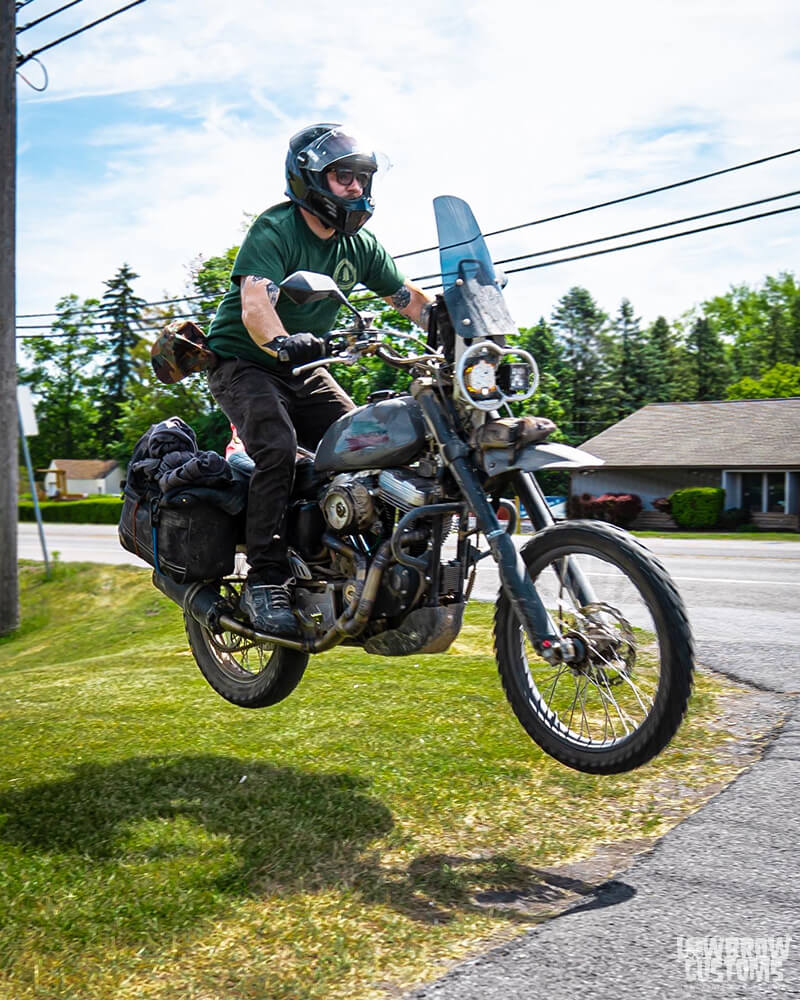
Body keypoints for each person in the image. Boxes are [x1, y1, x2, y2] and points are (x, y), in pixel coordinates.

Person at [206, 123, 432, 638]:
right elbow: (255, 302)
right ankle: (265, 576)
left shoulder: (363, 247)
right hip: (245, 363)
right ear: (310, 179)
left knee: (365, 442)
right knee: (279, 449)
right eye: (342, 176)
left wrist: (458, 328)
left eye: (361, 177)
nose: (355, 187)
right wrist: (283, 341)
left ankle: (353, 559)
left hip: (307, 370)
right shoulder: (277, 228)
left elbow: (409, 299)